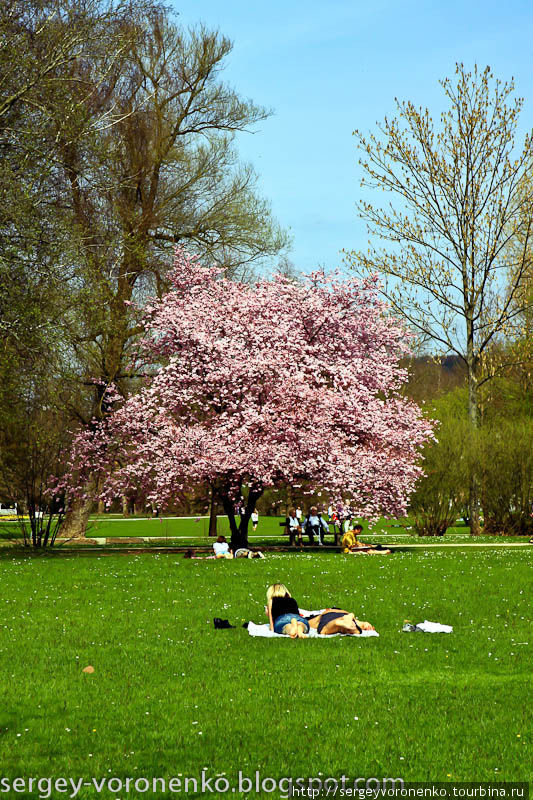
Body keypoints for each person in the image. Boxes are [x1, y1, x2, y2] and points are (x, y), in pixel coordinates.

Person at [307, 608, 376, 635]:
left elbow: (308, 624)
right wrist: (365, 624)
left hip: (328, 617)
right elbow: (359, 621)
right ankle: (352, 627)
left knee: (323, 630)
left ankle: (336, 623)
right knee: (355, 624)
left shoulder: (325, 613)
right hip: (345, 615)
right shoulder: (342, 611)